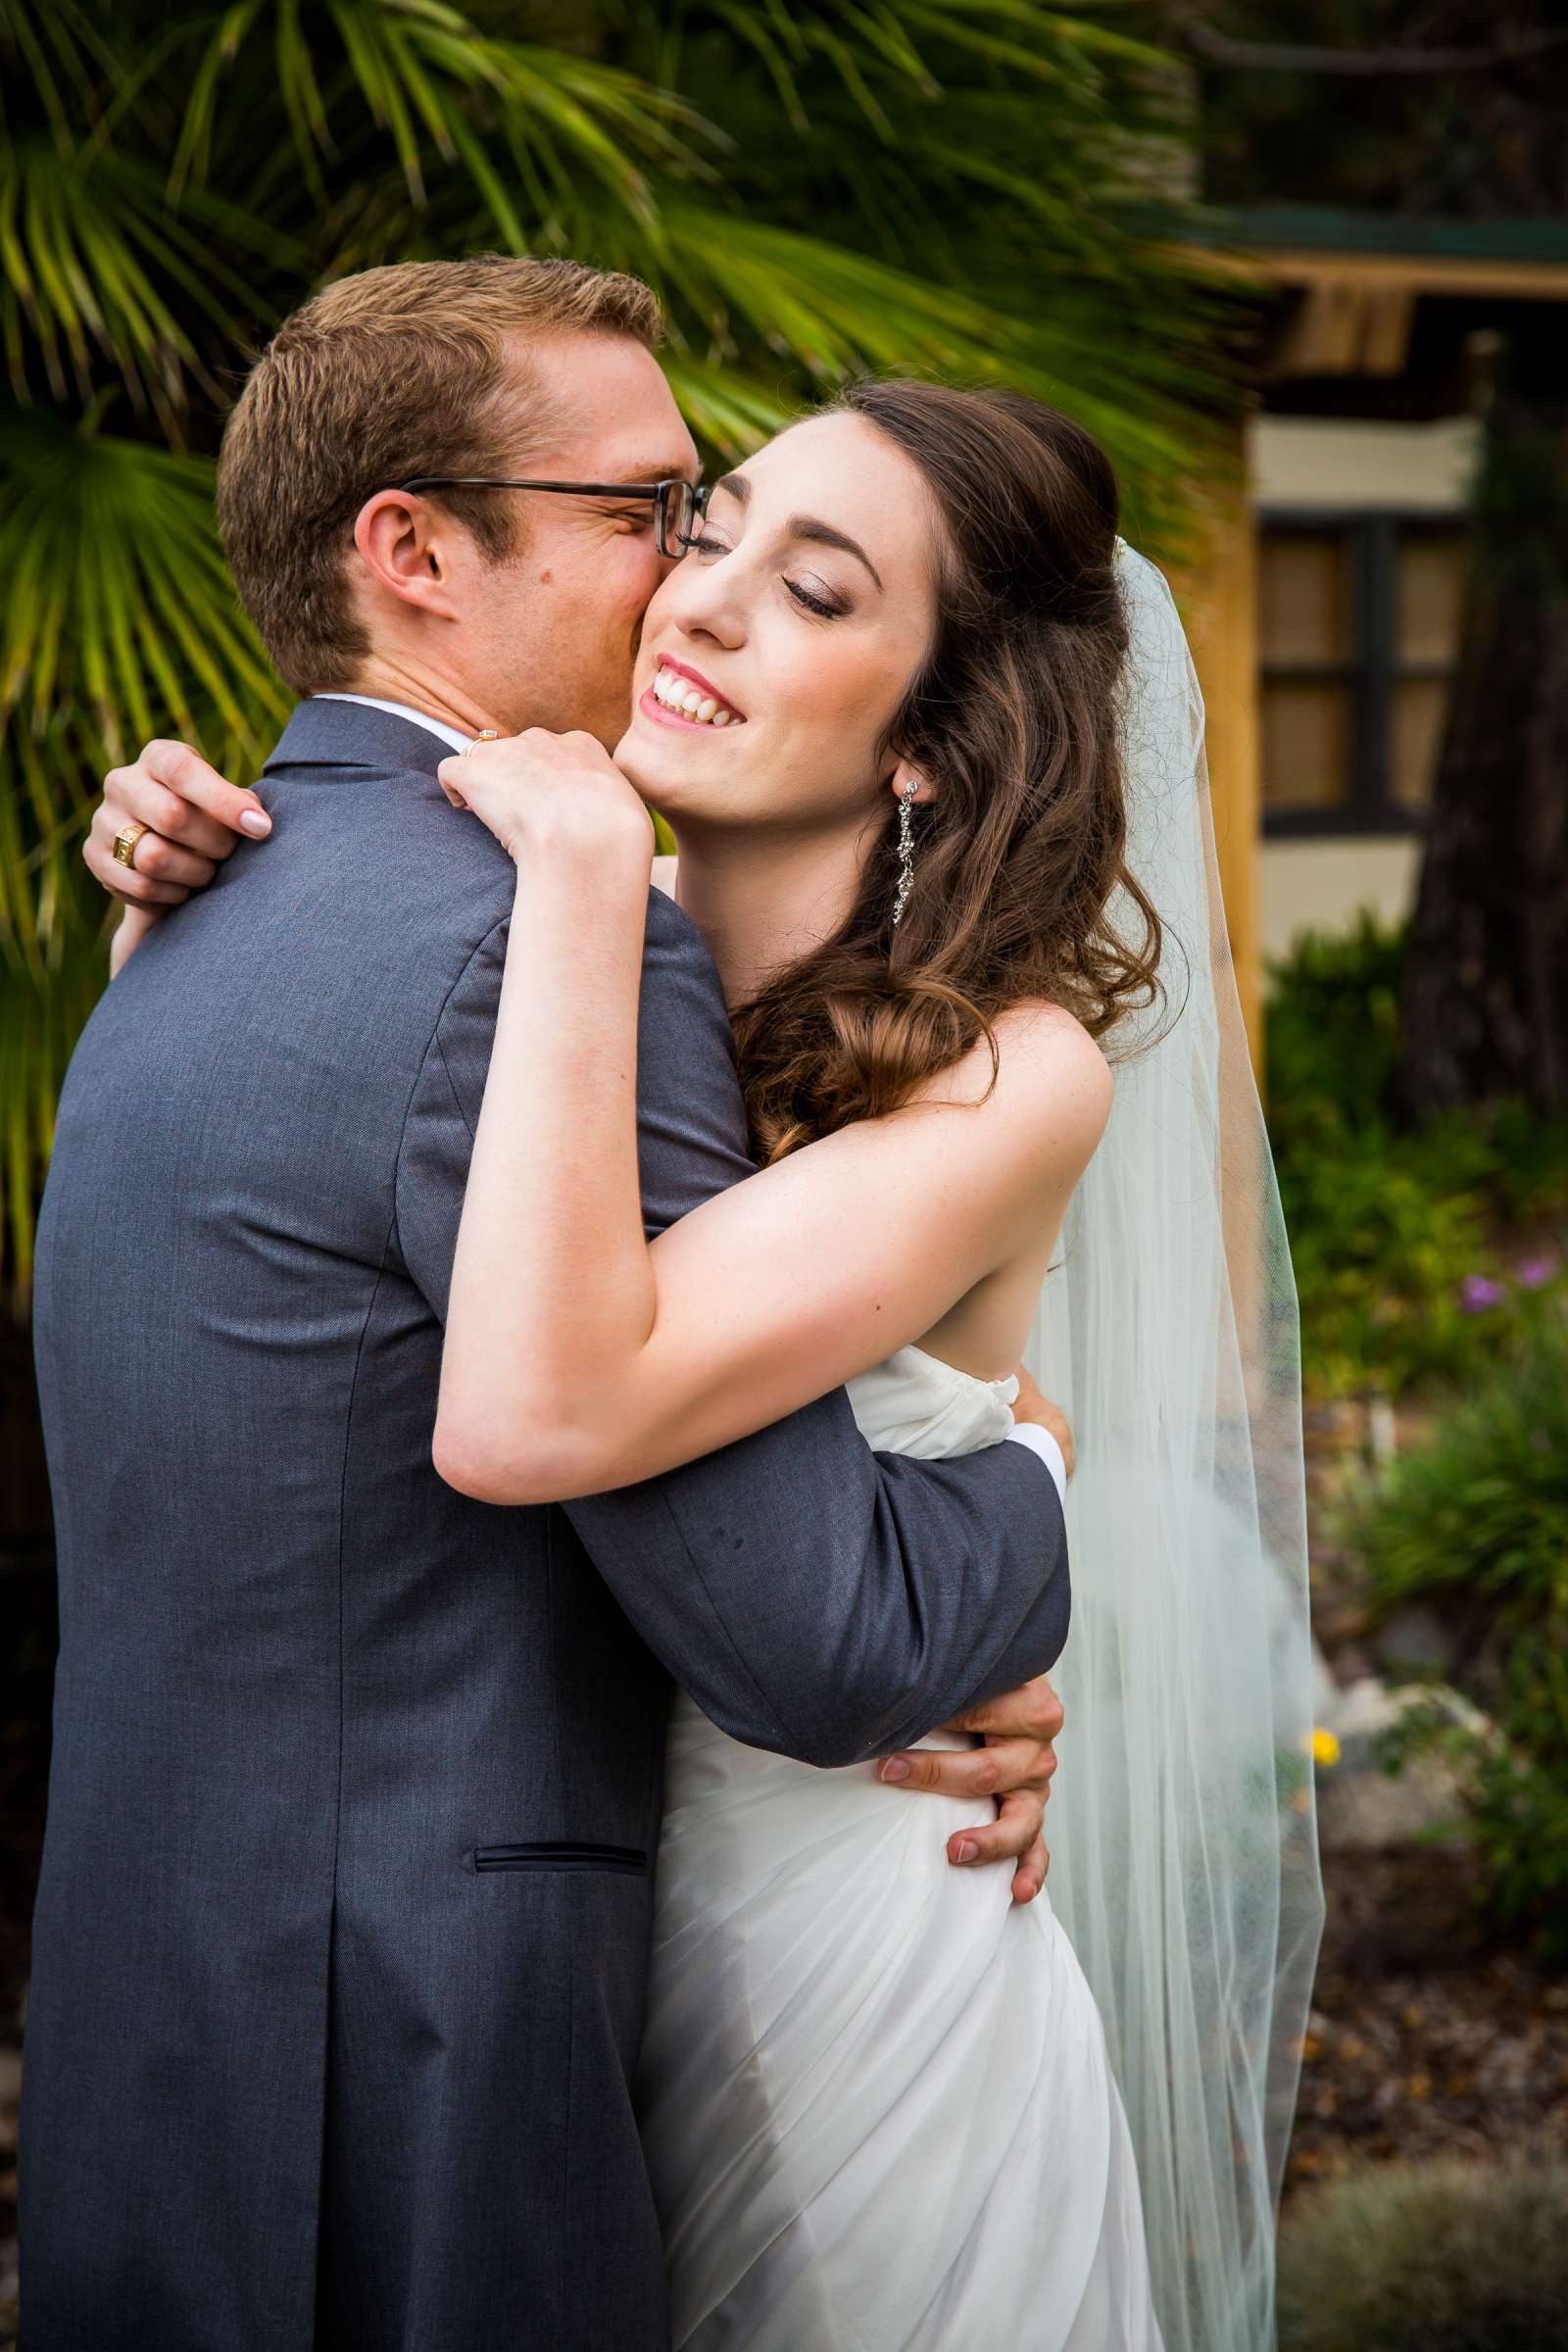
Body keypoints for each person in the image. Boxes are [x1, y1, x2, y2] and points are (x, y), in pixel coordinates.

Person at [71, 294, 1324, 2351]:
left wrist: (1017, 1503)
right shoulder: (582, 967)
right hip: (563, 1952)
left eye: (801, 585)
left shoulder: (989, 1061)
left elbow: (641, 1468)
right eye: (691, 522)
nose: (697, 597)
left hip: (842, 1970)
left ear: (924, 734)